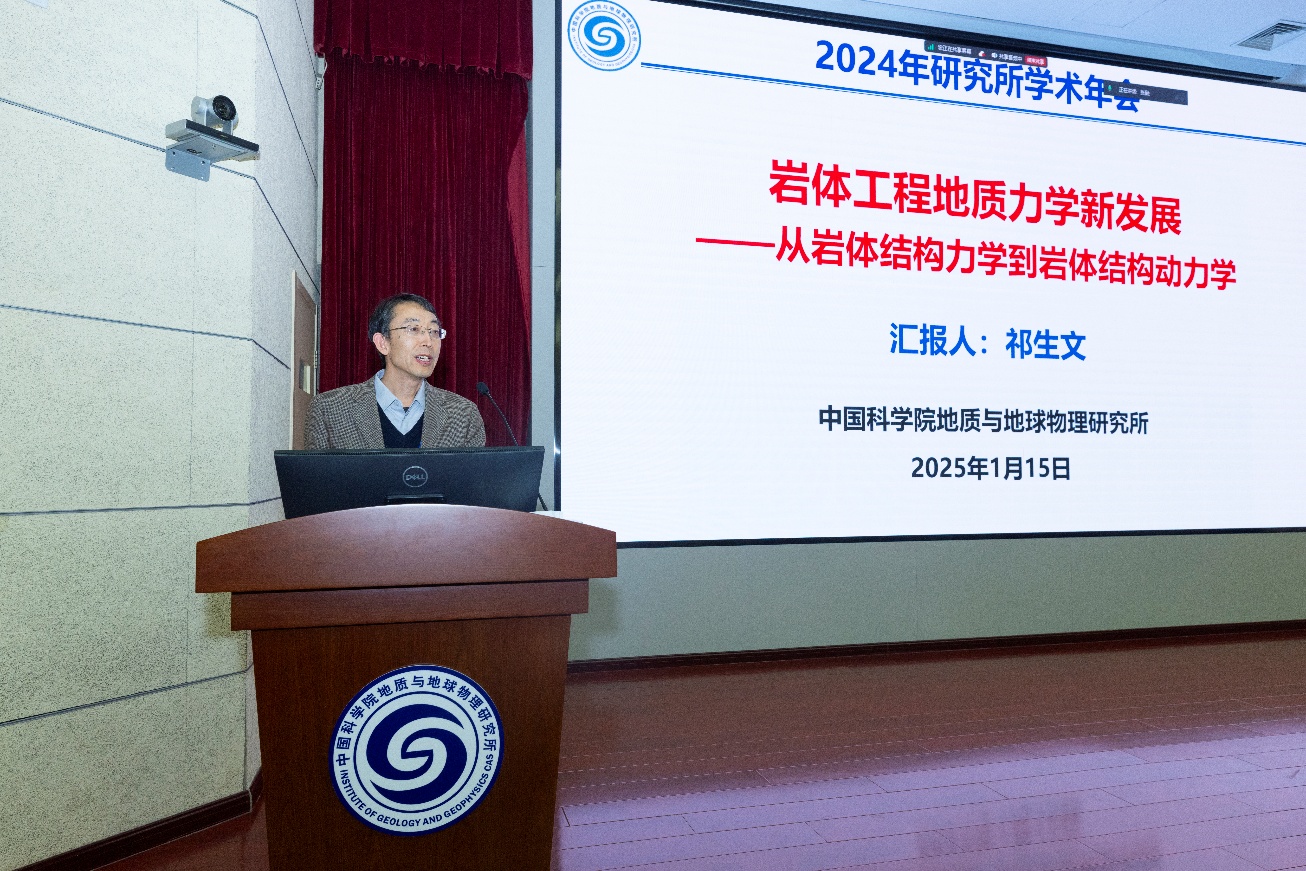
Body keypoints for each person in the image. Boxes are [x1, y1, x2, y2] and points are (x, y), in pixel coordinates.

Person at [306, 294, 486, 449]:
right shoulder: (329, 409)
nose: (428, 341)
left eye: (434, 331)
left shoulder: (464, 414)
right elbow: (316, 478)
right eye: (414, 329)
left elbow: (474, 479)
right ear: (383, 343)